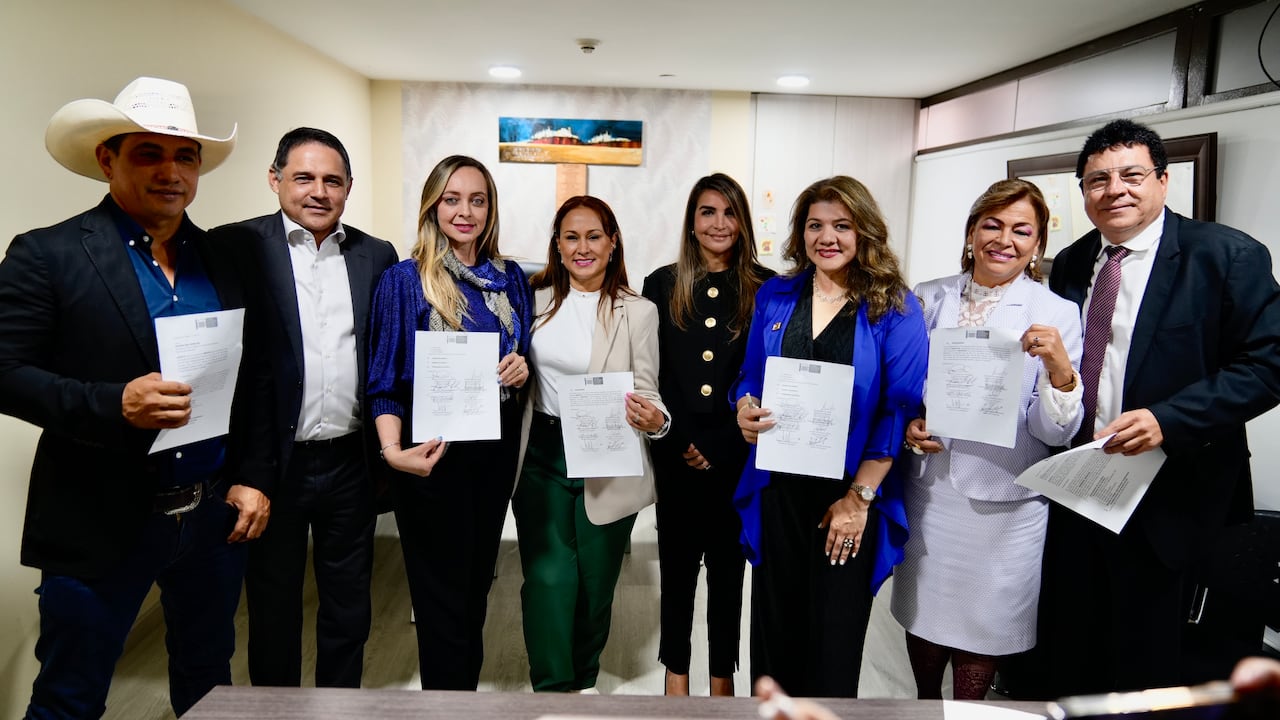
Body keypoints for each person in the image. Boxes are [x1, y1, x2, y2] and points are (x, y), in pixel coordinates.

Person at [0, 77, 271, 718]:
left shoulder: (226, 258)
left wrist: (253, 477)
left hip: (209, 520)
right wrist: (110, 403)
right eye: (149, 153)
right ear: (108, 159)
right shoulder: (48, 254)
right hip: (99, 519)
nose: (170, 172)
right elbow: (5, 370)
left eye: (186, 156)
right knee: (71, 695)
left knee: (209, 685)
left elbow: (253, 377)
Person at [1036, 119, 1280, 696]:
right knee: (1078, 651)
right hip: (1080, 487)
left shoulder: (1225, 256)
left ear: (1164, 182)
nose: (1114, 189)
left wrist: (1169, 420)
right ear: (1083, 192)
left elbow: (1268, 365)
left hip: (1176, 499)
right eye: (1097, 179)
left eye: (1131, 175)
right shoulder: (1073, 263)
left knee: (1158, 666)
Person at [210, 128, 398, 688]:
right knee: (273, 606)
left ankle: (339, 706)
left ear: (348, 188)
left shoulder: (375, 255)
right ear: (275, 180)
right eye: (304, 178)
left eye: (332, 180)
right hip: (272, 466)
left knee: (349, 608)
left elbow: (388, 351)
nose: (319, 191)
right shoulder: (234, 247)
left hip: (350, 462)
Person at [733, 175, 928, 698]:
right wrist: (745, 407)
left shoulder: (897, 309)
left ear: (864, 230)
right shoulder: (776, 294)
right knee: (775, 633)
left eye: (842, 225)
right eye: (816, 225)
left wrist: (859, 499)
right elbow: (751, 375)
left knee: (833, 634)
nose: (828, 237)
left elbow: (897, 408)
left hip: (846, 496)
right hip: (779, 486)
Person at [889, 179, 1083, 700]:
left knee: (985, 625)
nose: (1005, 239)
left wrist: (1061, 371)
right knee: (925, 619)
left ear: (1039, 243)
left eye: (1022, 230)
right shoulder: (927, 298)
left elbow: (1054, 431)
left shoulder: (1057, 313)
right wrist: (910, 425)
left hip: (1008, 502)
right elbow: (903, 389)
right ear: (972, 231)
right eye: (992, 225)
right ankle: (927, 710)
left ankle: (968, 713)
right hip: (931, 493)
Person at [366, 155, 533, 690]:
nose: (465, 211)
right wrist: (393, 454)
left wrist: (520, 368)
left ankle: (465, 700)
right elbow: (384, 380)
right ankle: (445, 703)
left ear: (490, 208)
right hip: (431, 461)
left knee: (475, 590)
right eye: (452, 199)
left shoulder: (510, 280)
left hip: (493, 457)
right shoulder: (404, 280)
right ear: (433, 205)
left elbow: (523, 360)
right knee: (440, 603)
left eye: (477, 200)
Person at [514, 195, 670, 693]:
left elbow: (649, 389)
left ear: (612, 242)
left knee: (594, 586)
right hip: (542, 450)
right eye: (571, 237)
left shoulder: (639, 312)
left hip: (609, 455)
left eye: (593, 236)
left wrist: (656, 419)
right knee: (548, 579)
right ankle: (553, 688)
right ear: (557, 246)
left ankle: (583, 679)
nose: (583, 247)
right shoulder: (530, 299)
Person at [641, 173, 773, 696]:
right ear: (692, 221)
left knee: (727, 578)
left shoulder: (767, 288)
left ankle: (722, 686)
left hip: (738, 457)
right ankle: (676, 683)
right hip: (675, 454)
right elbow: (655, 376)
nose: (719, 224)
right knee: (675, 573)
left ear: (743, 222)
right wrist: (678, 443)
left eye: (729, 212)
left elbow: (762, 376)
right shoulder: (661, 283)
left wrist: (720, 446)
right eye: (707, 212)